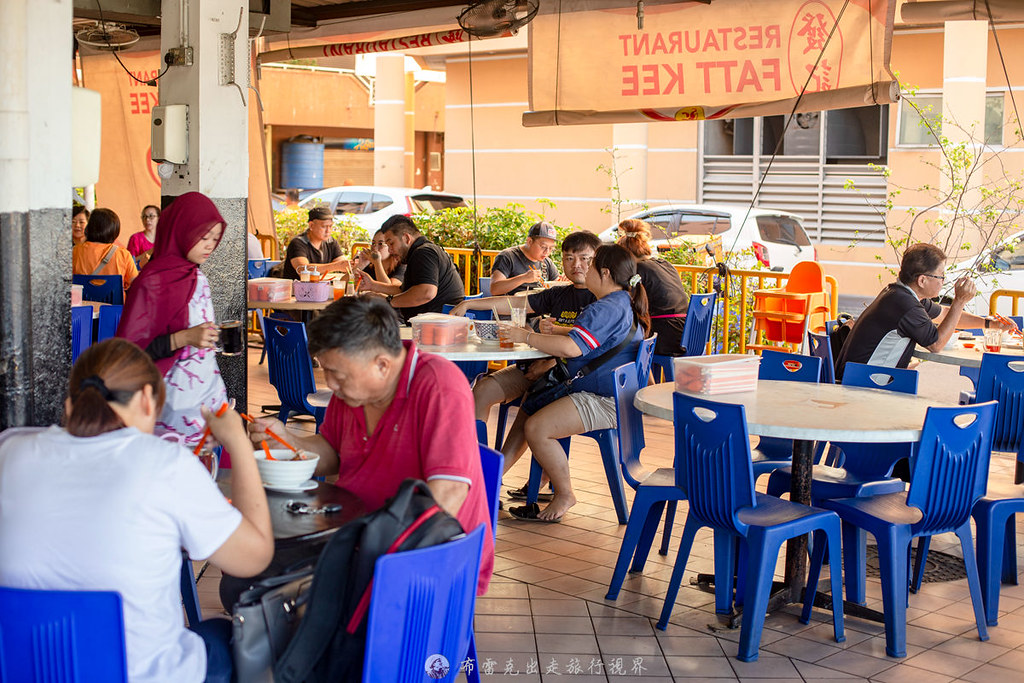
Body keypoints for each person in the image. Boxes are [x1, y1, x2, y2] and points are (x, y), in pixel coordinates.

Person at [0, 338, 273, 683]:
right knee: (228, 634)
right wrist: (238, 442)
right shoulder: (166, 464)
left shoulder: (10, 451)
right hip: (139, 675)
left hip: (25, 670)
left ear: (70, 404)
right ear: (147, 399)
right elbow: (255, 557)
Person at [246, 296, 494, 593]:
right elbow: (332, 453)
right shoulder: (352, 393)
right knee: (247, 573)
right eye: (327, 371)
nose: (331, 385)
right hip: (355, 532)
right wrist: (287, 438)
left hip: (424, 554)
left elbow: (448, 493)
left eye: (337, 374)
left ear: (382, 365)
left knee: (265, 592)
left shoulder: (439, 385)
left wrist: (374, 557)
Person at [503, 244, 650, 522]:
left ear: (604, 273)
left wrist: (526, 337)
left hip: (605, 400)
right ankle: (515, 479)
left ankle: (565, 493)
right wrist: (557, 330)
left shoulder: (606, 307)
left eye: (591, 264)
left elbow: (572, 348)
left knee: (537, 427)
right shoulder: (620, 302)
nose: (584, 269)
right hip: (615, 393)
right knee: (534, 403)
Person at [450, 230, 601, 476]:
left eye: (585, 258)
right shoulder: (560, 293)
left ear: (598, 260)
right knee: (483, 389)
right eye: (569, 258)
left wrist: (551, 363)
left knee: (531, 404)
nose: (577, 265)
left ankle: (490, 478)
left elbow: (588, 347)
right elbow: (517, 303)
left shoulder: (602, 299)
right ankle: (473, 463)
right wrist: (469, 303)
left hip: (570, 376)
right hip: (536, 366)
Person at [116, 192, 229, 446]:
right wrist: (185, 337)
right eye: (204, 237)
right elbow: (131, 353)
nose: (210, 245)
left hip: (206, 394)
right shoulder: (151, 282)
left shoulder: (198, 277)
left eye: (215, 238)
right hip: (167, 406)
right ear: (181, 231)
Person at [835, 243, 1015, 381]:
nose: (943, 281)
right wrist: (959, 301)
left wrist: (990, 324)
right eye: (941, 276)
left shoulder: (900, 294)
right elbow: (936, 345)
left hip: (857, 374)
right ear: (922, 280)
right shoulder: (906, 305)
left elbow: (944, 314)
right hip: (863, 382)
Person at [361, 215, 465, 320]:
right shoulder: (420, 252)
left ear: (406, 238)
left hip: (439, 326)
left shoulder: (423, 253)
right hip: (431, 324)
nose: (390, 250)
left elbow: (426, 292)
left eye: (391, 243)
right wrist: (373, 285)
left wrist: (388, 301)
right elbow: (406, 290)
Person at [617, 218, 690, 355]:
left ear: (625, 255)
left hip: (666, 336)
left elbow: (626, 302)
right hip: (687, 332)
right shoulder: (665, 264)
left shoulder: (638, 270)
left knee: (623, 346)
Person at [72, 207, 139, 289]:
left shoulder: (75, 251)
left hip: (83, 301)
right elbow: (136, 285)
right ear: (114, 229)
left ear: (89, 227)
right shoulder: (123, 254)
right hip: (116, 301)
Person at [488, 221, 560, 296]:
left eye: (551, 248)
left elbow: (556, 285)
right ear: (529, 241)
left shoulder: (546, 261)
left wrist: (564, 282)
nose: (547, 252)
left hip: (537, 305)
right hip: (512, 306)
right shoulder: (507, 256)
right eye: (543, 247)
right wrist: (523, 278)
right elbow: (494, 289)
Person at [281, 207, 350, 280]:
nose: (328, 231)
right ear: (311, 225)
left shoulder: (331, 242)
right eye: (324, 226)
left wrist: (350, 264)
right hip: (297, 288)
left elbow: (341, 263)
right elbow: (302, 269)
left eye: (330, 226)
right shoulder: (297, 243)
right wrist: (336, 266)